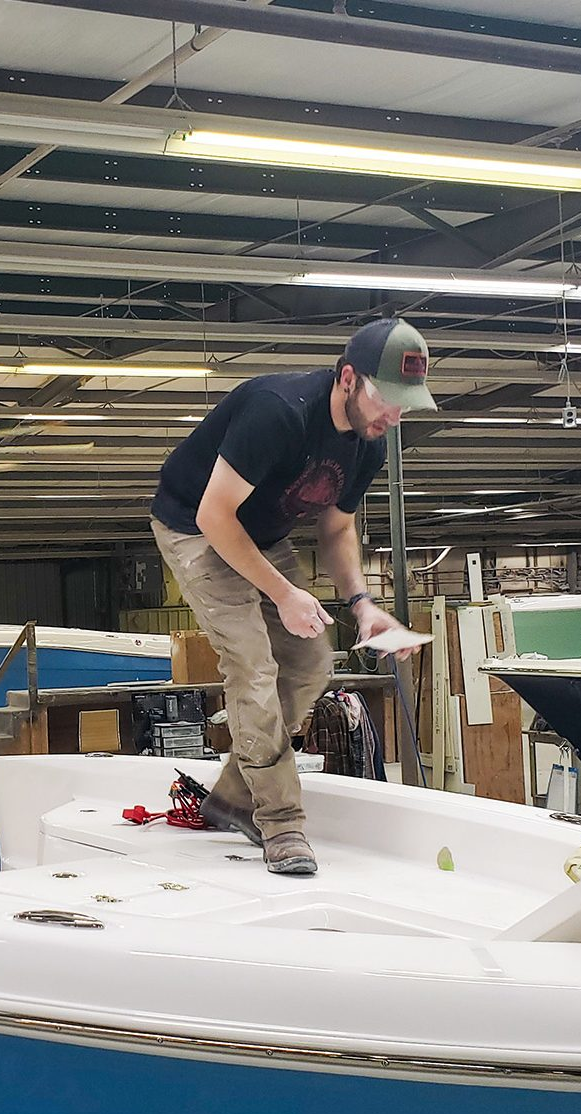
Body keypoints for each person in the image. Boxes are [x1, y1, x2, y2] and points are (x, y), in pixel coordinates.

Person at [150, 318, 435, 875]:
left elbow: (336, 531)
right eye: (387, 399)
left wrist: (362, 605)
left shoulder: (368, 448)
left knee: (309, 660)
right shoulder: (278, 411)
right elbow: (214, 516)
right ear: (348, 378)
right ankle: (279, 820)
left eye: (406, 403)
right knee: (253, 665)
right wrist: (283, 593)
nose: (394, 416)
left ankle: (233, 797)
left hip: (259, 534)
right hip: (195, 525)